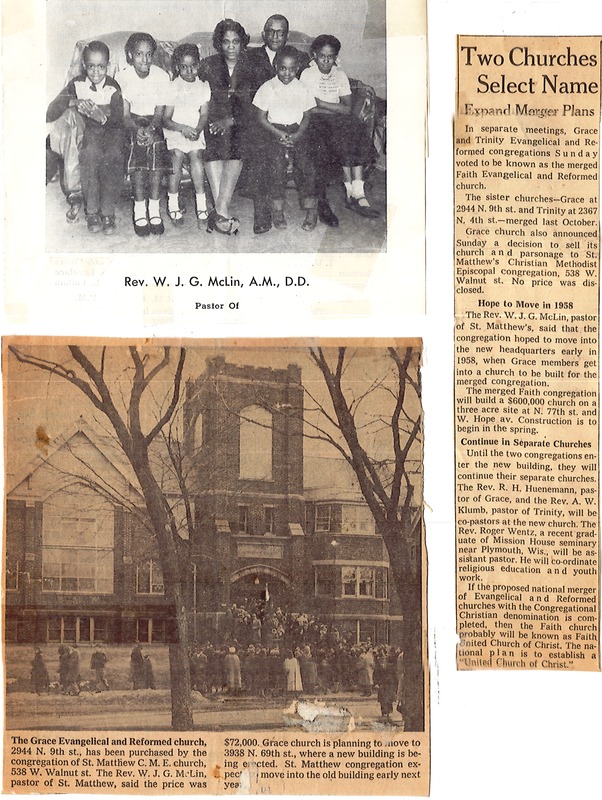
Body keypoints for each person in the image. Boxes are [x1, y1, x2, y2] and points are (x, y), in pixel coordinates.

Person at [46, 40, 124, 235]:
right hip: (89, 135)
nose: (96, 72)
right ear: (84, 65)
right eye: (91, 66)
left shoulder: (114, 88)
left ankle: (108, 212)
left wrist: (102, 118)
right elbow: (50, 112)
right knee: (89, 155)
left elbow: (118, 122)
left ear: (108, 65)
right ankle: (92, 212)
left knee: (112, 156)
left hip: (111, 132)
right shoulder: (77, 84)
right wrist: (74, 101)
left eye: (101, 67)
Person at [244, 15, 311, 233]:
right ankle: (268, 209)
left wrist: (298, 134)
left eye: (280, 31)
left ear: (286, 35)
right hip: (266, 122)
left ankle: (315, 207)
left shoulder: (299, 60)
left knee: (308, 157)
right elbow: (252, 105)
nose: (274, 35)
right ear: (263, 34)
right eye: (270, 31)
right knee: (271, 159)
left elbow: (307, 111)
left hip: (295, 125)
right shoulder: (251, 57)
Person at [301, 34, 379, 219]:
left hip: (336, 118)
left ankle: (357, 191)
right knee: (340, 132)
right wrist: (333, 109)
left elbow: (348, 108)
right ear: (314, 55)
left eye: (331, 56)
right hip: (316, 121)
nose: (326, 61)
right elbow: (309, 108)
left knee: (355, 127)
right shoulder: (308, 74)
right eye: (322, 56)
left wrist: (322, 103)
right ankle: (351, 192)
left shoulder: (340, 75)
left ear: (336, 57)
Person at [253, 45, 317, 230]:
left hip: (298, 130)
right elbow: (260, 118)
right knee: (276, 164)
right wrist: (279, 133)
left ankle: (312, 208)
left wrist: (297, 135)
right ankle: (277, 209)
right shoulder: (268, 87)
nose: (287, 73)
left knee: (306, 163)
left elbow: (307, 116)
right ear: (276, 67)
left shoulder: (302, 87)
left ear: (297, 68)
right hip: (275, 130)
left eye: (291, 69)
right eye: (283, 68)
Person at [199, 20, 252, 235]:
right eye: (226, 42)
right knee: (213, 135)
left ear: (242, 43)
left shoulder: (251, 66)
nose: (231, 47)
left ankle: (219, 212)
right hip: (213, 118)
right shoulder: (208, 64)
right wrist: (217, 119)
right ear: (219, 44)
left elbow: (255, 102)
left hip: (242, 120)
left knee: (237, 140)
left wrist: (231, 120)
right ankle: (222, 212)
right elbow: (197, 94)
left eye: (236, 42)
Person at [119, 33, 171, 236]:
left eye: (149, 55)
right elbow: (124, 114)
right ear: (130, 55)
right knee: (137, 146)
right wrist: (136, 130)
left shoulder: (161, 76)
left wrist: (151, 129)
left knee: (157, 145)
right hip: (131, 121)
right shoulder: (122, 76)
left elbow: (159, 113)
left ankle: (154, 208)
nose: (145, 60)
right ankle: (139, 209)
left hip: (153, 121)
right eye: (139, 54)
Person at [163, 44, 211, 229]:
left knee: (197, 157)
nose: (189, 71)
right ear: (177, 67)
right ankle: (173, 204)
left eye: (193, 66)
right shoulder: (173, 87)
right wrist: (183, 129)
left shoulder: (203, 87)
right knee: (176, 156)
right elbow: (166, 120)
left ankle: (201, 204)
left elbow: (204, 114)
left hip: (194, 131)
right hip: (176, 130)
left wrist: (198, 129)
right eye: (184, 66)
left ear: (199, 65)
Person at [373, 652, 398, 723]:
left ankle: (389, 711)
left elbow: (395, 676)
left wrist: (396, 684)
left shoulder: (390, 666)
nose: (382, 660)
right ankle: (384, 712)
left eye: (384, 659)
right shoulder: (377, 667)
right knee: (382, 699)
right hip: (382, 685)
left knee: (389, 699)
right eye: (381, 659)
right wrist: (376, 683)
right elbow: (375, 675)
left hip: (390, 685)